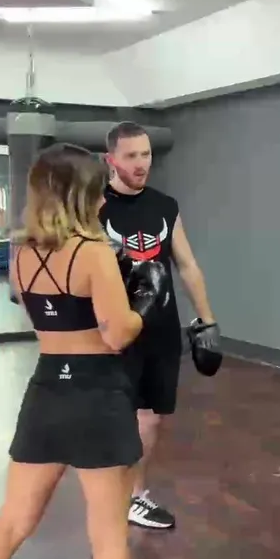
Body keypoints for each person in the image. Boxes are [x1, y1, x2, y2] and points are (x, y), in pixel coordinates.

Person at [0, 144, 165, 559]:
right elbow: (117, 335)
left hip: (46, 390)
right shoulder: (93, 253)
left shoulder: (22, 255)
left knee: (11, 522)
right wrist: (144, 303)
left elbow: (49, 322)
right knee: (108, 538)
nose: (104, 200)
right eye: (98, 192)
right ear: (79, 196)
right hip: (97, 393)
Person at [95, 121, 221, 537]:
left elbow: (186, 264)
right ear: (111, 160)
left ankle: (135, 496)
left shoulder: (165, 206)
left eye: (146, 154)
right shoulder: (95, 208)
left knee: (150, 420)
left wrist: (207, 320)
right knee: (116, 421)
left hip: (161, 329)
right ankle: (108, 509)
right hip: (115, 332)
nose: (141, 163)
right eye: (131, 156)